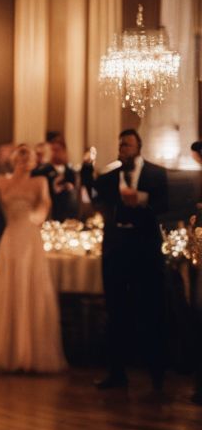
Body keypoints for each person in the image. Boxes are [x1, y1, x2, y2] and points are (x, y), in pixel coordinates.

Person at [82, 129, 169, 391]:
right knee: (116, 312)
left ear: (138, 147)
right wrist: (87, 169)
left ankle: (156, 376)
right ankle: (117, 373)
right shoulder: (110, 176)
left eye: (128, 145)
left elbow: (164, 205)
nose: (123, 148)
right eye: (121, 145)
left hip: (145, 252)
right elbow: (94, 194)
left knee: (150, 311)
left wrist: (142, 200)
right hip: (116, 251)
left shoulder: (156, 173)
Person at [0, 144, 67, 373]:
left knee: (28, 286)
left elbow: (45, 205)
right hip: (9, 236)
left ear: (35, 161)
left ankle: (28, 353)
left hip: (29, 237)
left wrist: (36, 217)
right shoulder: (0, 182)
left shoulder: (40, 182)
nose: (24, 159)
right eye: (21, 154)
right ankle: (5, 352)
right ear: (14, 158)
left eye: (29, 156)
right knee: (7, 288)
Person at [33, 133, 79, 222]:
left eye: (58, 150)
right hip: (50, 214)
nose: (55, 153)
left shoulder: (71, 172)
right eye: (53, 150)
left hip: (68, 215)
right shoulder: (42, 172)